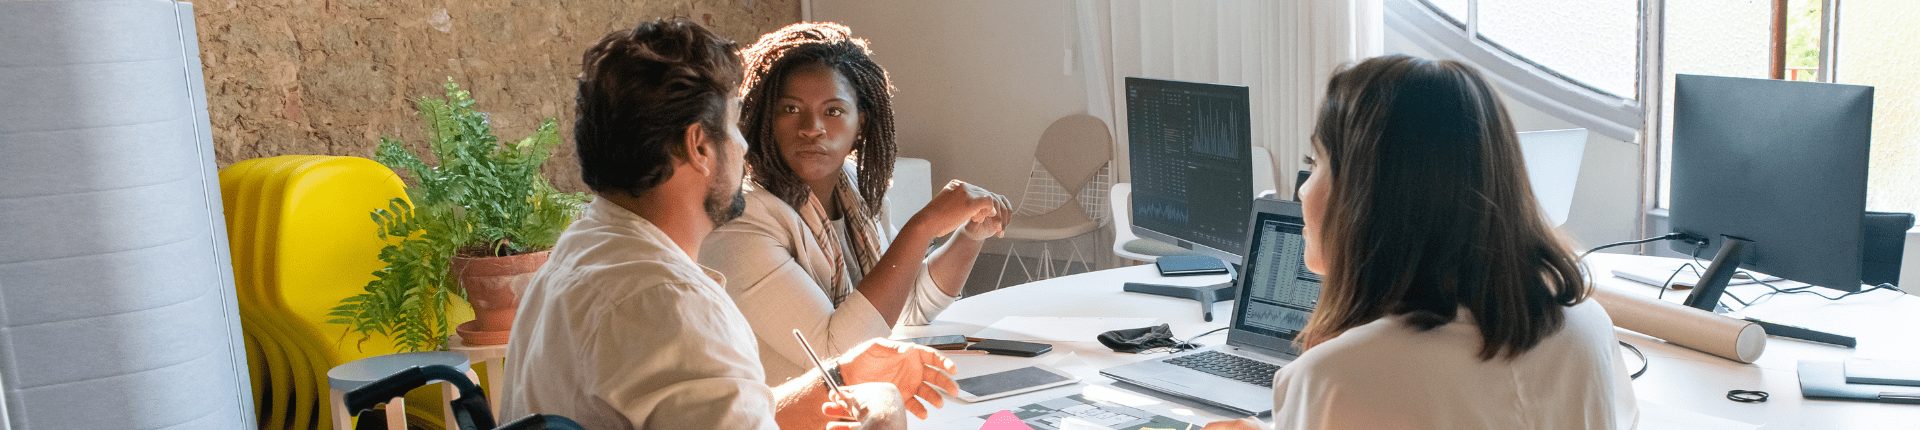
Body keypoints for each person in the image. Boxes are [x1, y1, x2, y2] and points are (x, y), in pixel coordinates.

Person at [498, 18, 959, 430]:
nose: (744, 146)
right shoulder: (674, 308)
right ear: (700, 146)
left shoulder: (582, 246)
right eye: (737, 125)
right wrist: (885, 418)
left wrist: (843, 376)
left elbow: (727, 411)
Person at [1207, 55, 1637, 430]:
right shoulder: (1587, 327)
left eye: (1315, 163)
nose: (1302, 190)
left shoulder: (1337, 378)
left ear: (1367, 196)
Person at [699, 22, 1013, 385]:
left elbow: (905, 306)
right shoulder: (741, 218)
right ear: (764, 118)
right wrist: (922, 226)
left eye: (833, 111)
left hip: (851, 406)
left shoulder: (855, 192)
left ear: (860, 125)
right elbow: (837, 356)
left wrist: (971, 235)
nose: (811, 127)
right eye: (789, 108)